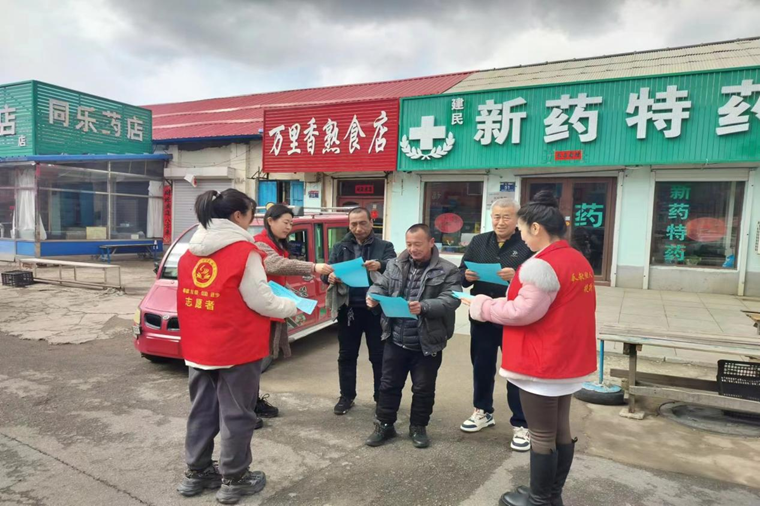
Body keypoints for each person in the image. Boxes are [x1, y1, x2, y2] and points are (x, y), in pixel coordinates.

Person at [465, 191, 597, 506]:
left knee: (541, 434)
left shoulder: (540, 265)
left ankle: (539, 499)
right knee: (560, 429)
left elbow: (521, 312)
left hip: (543, 361)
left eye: (523, 230)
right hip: (567, 357)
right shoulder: (576, 259)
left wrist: (482, 305)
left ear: (536, 228)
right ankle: (551, 494)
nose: (522, 237)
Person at [175, 189, 298, 505]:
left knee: (202, 410)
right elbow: (262, 300)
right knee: (237, 414)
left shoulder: (190, 252)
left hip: (199, 346)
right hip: (236, 347)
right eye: (251, 215)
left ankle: (197, 472)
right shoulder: (244, 252)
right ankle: (235, 478)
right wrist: (291, 306)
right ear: (237, 216)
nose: (251, 221)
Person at [365, 224, 461, 449]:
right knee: (388, 384)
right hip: (396, 336)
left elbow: (451, 299)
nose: (412, 249)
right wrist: (373, 296)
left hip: (427, 341)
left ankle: (418, 427)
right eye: (409, 244)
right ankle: (384, 425)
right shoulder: (395, 264)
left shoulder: (448, 270)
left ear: (431, 243)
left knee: (423, 388)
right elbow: (380, 285)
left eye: (418, 244)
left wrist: (424, 306)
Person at [459, 198, 533, 452]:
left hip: (513, 316)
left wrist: (518, 276)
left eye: (506, 217)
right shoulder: (479, 241)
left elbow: (540, 280)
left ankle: (522, 423)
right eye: (496, 217)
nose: (500, 222)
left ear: (517, 219)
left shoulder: (527, 243)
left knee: (514, 370)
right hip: (482, 314)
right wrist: (466, 275)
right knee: (481, 365)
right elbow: (461, 274)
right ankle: (482, 411)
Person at [252, 204, 333, 419]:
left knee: (260, 359)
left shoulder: (278, 245)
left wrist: (294, 296)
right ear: (270, 221)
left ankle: (252, 401)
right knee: (253, 362)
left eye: (291, 223)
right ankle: (247, 407)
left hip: (271, 308)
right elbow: (275, 265)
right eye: (285, 222)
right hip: (259, 312)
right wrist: (313, 267)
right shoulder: (260, 242)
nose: (288, 227)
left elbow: (277, 279)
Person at [323, 207, 396, 415]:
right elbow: (327, 271)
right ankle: (346, 396)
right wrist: (329, 277)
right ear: (349, 225)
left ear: (371, 223)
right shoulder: (340, 247)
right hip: (349, 310)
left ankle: (381, 397)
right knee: (346, 355)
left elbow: (395, 267)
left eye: (363, 223)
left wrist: (379, 264)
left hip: (375, 310)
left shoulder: (384, 246)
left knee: (379, 356)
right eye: (353, 224)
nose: (358, 228)